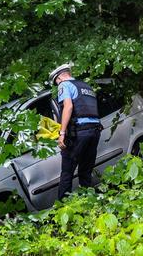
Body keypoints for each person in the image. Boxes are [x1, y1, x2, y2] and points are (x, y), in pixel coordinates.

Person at [49, 63, 102, 199]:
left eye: (56, 82)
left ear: (59, 78)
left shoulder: (64, 85)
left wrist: (62, 133)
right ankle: (89, 203)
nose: (57, 84)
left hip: (79, 134)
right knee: (85, 171)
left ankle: (63, 209)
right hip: (95, 132)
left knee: (67, 173)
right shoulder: (86, 86)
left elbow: (68, 107)